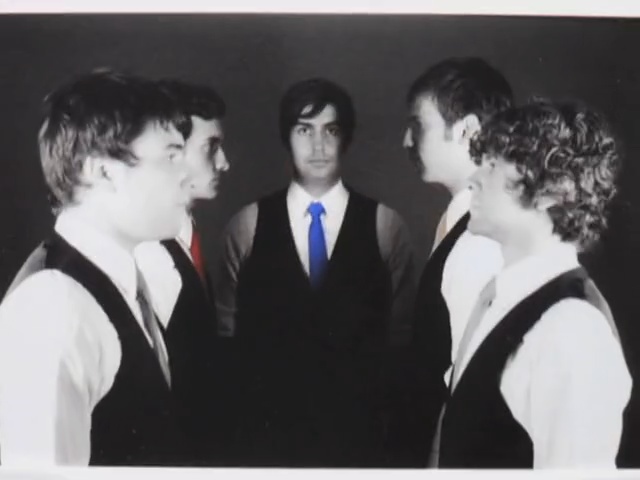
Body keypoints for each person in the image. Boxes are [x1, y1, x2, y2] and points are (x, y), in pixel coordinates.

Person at [214, 77, 416, 467]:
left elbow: (401, 341)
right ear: (286, 137)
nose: (319, 146)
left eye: (331, 130)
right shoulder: (248, 224)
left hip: (358, 445)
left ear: (347, 139)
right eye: (304, 130)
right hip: (266, 444)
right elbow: (226, 338)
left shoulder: (385, 225)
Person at [0, 69, 193, 466]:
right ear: (102, 171)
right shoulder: (53, 306)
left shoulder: (124, 283)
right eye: (171, 156)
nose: (187, 174)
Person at [435, 99, 631, 468]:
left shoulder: (570, 327)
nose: (474, 178)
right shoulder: (498, 295)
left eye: (493, 166)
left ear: (553, 191)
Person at [399, 57, 513, 463]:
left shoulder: (482, 239)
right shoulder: (460, 221)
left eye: (418, 126)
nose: (406, 141)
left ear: (467, 130)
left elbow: (472, 390)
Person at [135, 78, 230, 465]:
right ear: (171, 153)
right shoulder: (148, 253)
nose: (224, 163)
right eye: (211, 147)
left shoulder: (185, 235)